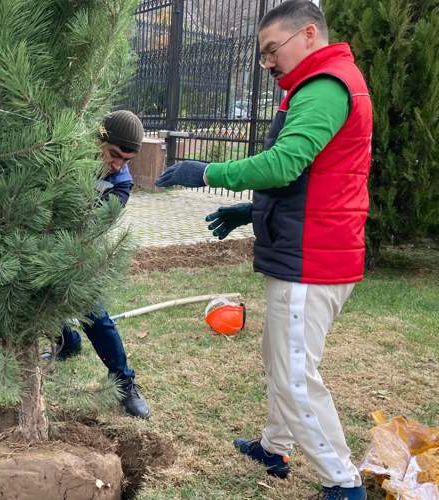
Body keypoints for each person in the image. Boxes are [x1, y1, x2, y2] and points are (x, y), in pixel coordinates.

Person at [155, 2, 371, 499]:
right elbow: (313, 179)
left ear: (309, 35)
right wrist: (251, 212)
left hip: (313, 259)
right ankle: (274, 447)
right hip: (305, 249)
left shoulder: (325, 87)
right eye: (264, 54)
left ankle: (342, 481)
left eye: (272, 49)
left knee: (296, 375)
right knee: (281, 359)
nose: (268, 62)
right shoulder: (314, 85)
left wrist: (206, 173)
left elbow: (283, 165)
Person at [47, 110, 151, 419]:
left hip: (80, 247)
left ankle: (123, 381)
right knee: (40, 296)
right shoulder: (65, 153)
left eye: (126, 160)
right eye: (114, 155)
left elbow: (94, 225)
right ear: (97, 140)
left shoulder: (120, 182)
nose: (118, 165)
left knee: (94, 313)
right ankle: (67, 344)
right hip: (40, 240)